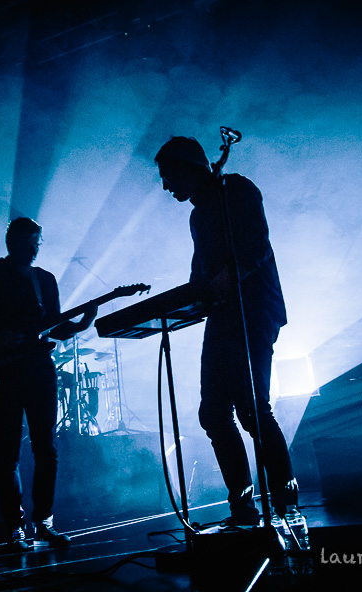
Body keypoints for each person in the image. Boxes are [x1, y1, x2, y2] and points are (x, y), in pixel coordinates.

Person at [155, 136, 299, 527]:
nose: (166, 186)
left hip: (254, 310)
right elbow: (199, 271)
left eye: (168, 176)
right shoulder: (198, 216)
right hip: (223, 316)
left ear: (189, 167)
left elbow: (256, 247)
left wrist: (222, 280)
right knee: (214, 413)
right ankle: (243, 509)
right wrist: (186, 298)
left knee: (253, 410)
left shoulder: (235, 189)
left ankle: (287, 505)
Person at [0, 217, 97, 549]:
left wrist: (82, 324)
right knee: (8, 452)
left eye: (37, 244)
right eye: (28, 244)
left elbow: (54, 326)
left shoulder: (44, 279)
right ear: (11, 242)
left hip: (39, 369)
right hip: (5, 370)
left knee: (46, 448)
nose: (33, 251)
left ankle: (44, 522)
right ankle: (14, 527)